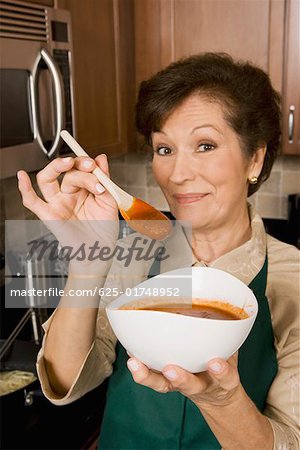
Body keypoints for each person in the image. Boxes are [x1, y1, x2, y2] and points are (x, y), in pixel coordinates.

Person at [17, 53, 299, 449]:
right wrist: (85, 264)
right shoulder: (129, 253)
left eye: (204, 145)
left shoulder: (293, 280)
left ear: (255, 157)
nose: (178, 174)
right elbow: (65, 382)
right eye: (164, 149)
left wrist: (220, 400)